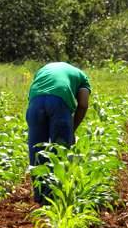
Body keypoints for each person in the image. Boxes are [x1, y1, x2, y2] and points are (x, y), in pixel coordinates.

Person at [26, 61, 91, 203]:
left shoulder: (43, 70)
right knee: (60, 150)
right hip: (59, 103)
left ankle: (40, 196)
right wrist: (72, 129)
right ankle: (57, 196)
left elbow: (34, 89)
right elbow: (84, 104)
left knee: (37, 150)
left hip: (35, 103)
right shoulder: (82, 77)